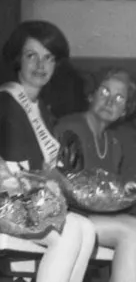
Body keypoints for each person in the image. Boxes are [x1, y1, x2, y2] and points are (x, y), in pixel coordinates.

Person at [0, 21, 96, 282]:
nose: (40, 66)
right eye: (32, 55)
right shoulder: (4, 102)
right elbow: (6, 172)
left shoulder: (42, 109)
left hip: (27, 201)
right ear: (17, 59)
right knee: (71, 231)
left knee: (86, 229)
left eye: (48, 58)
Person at [55, 69, 136, 282]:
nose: (110, 102)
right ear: (91, 94)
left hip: (90, 217)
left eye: (119, 98)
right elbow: (64, 184)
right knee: (133, 234)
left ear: (125, 110)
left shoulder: (113, 141)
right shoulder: (71, 126)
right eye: (105, 91)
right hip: (66, 217)